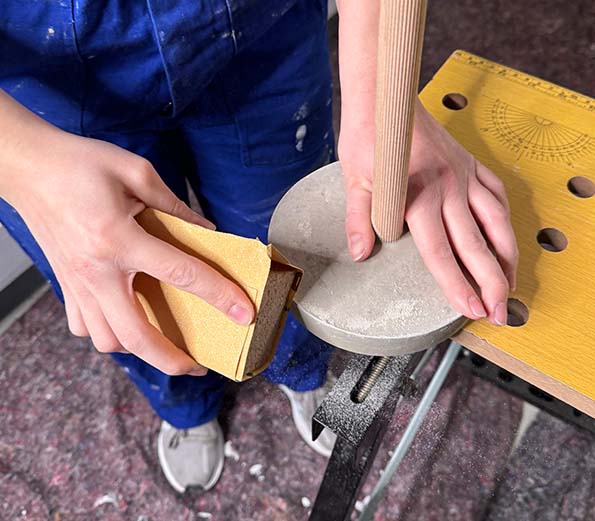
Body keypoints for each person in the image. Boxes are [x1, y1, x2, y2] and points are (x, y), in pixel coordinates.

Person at [0, 0, 518, 494]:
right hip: (40, 86)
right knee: (137, 293)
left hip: (253, 33)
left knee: (296, 256)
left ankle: (299, 370)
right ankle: (187, 409)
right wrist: (22, 163)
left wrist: (387, 94)